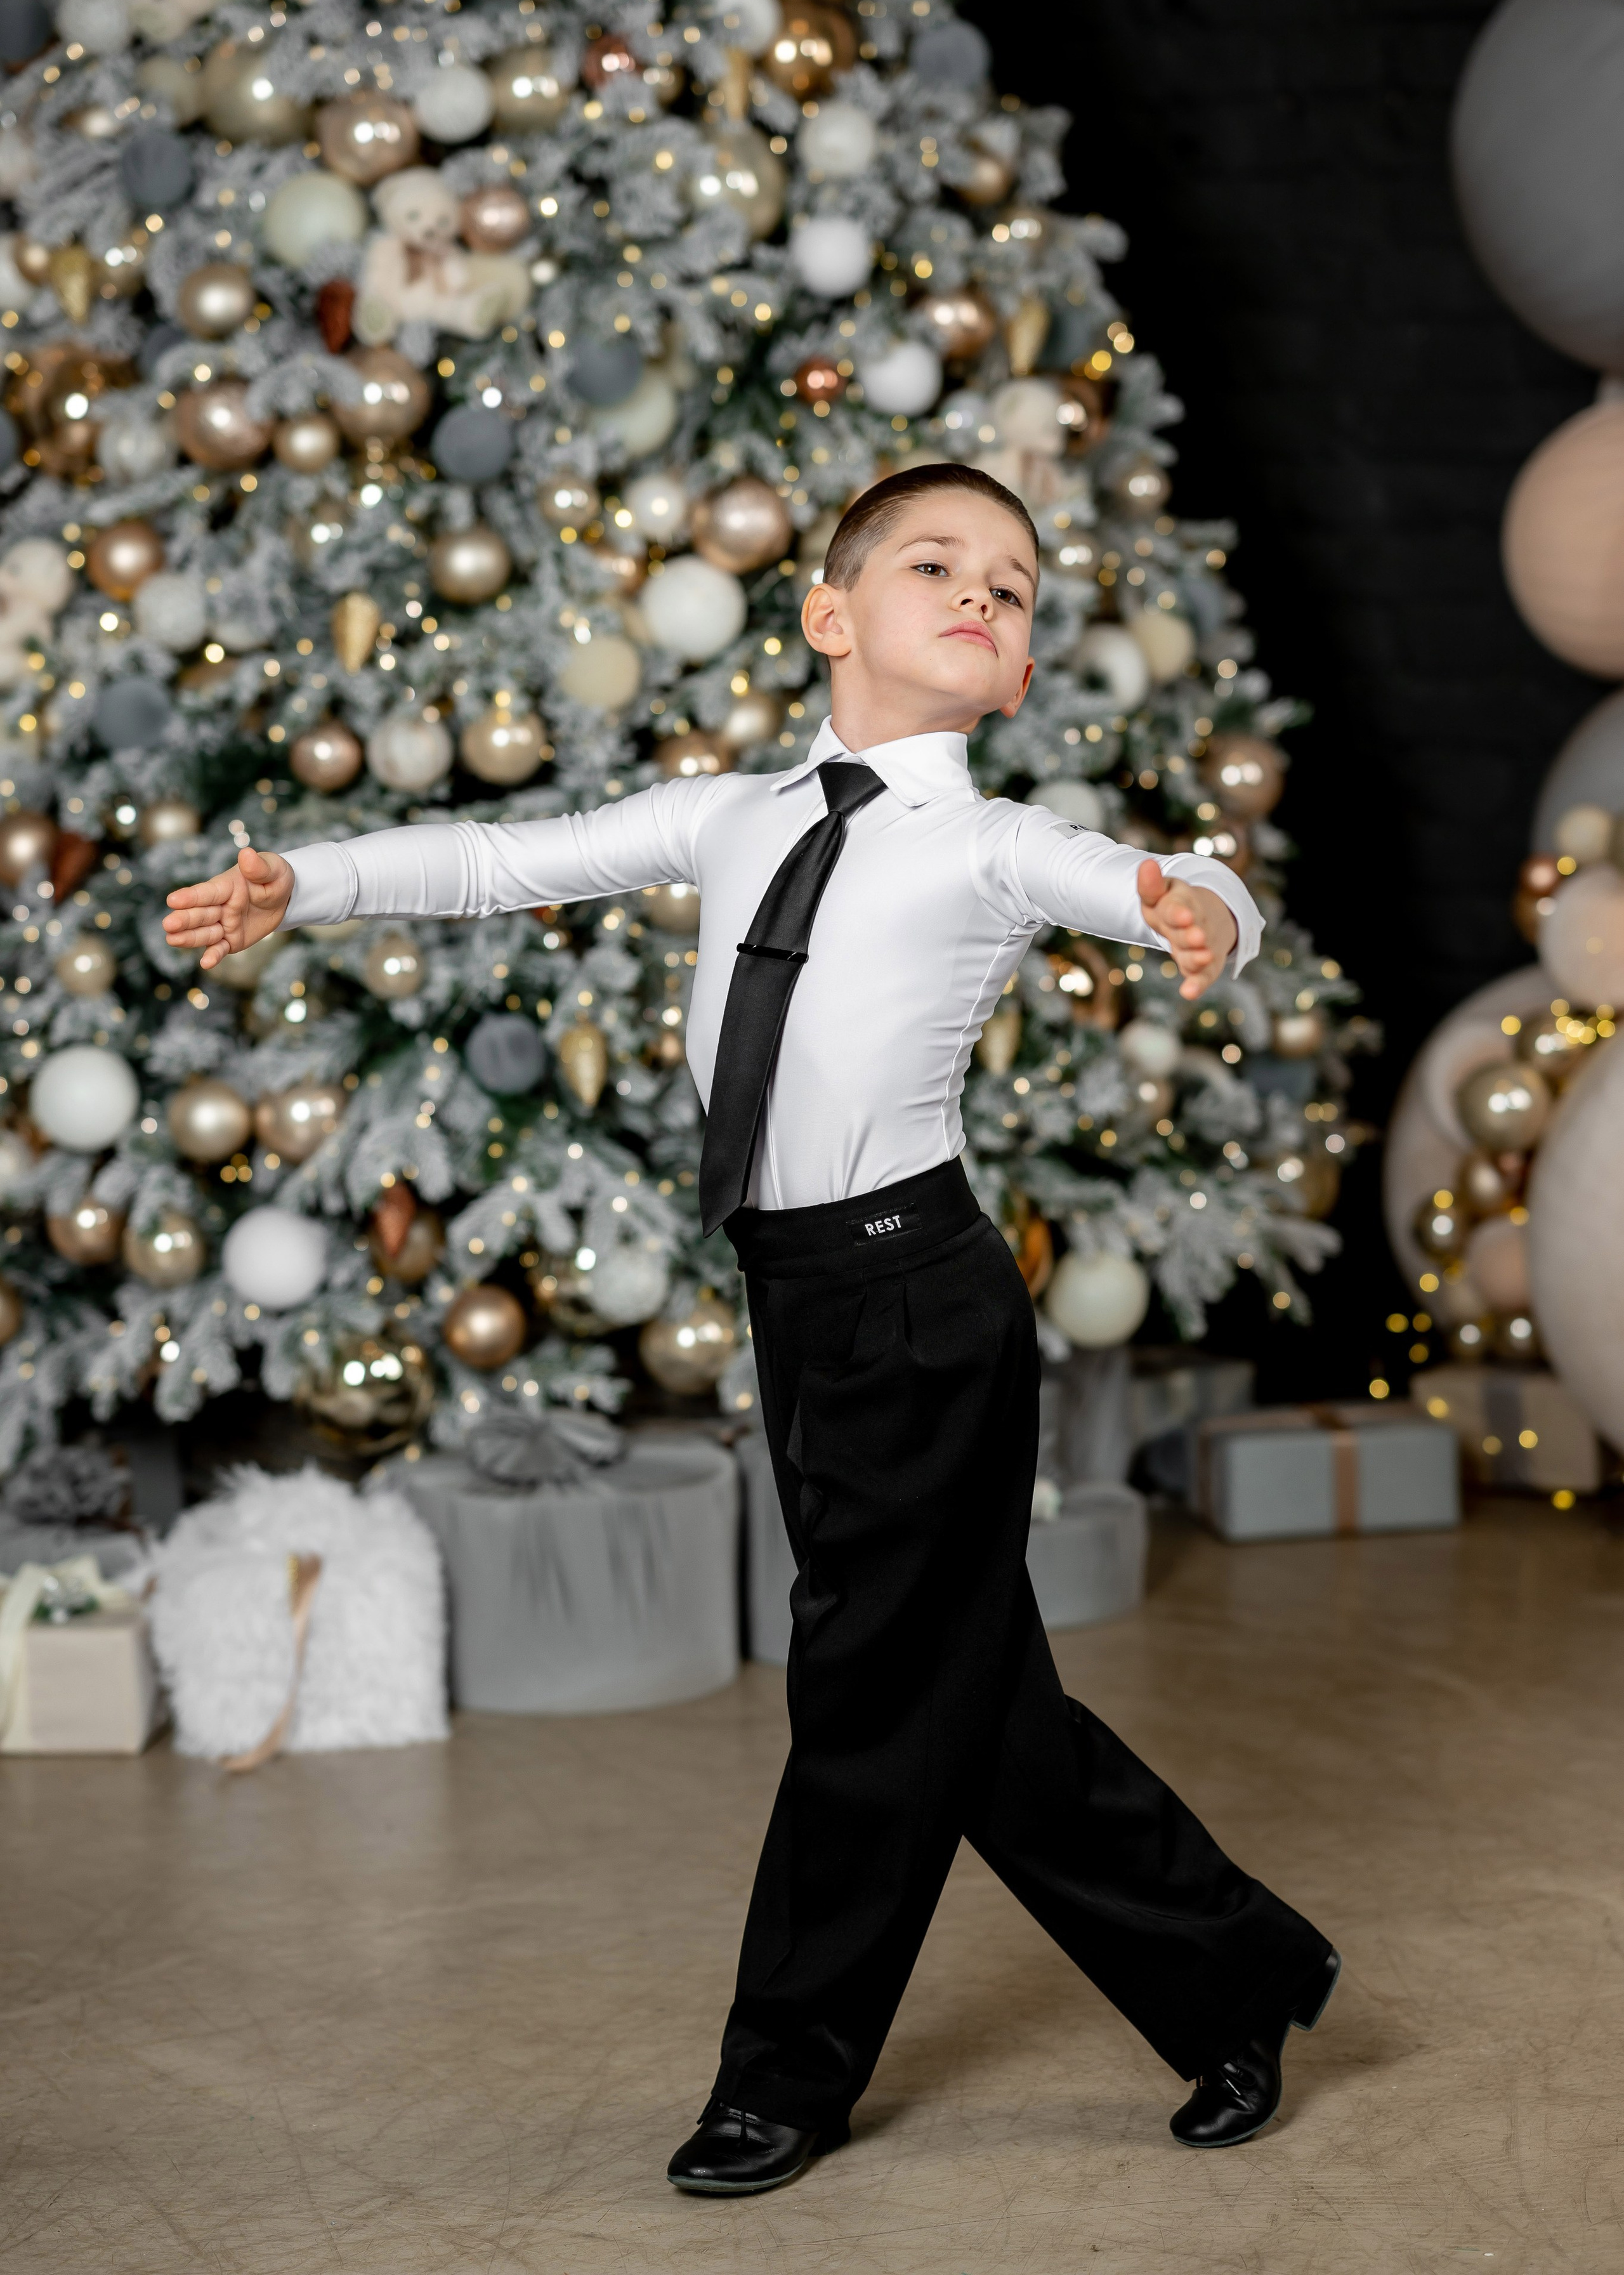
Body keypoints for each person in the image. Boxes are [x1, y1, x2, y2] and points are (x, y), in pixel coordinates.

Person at [165, 463, 1339, 2196]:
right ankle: (1242, 1973)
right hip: (798, 1299)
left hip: (922, 1298)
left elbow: (1175, 878)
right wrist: (309, 884)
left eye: (1012, 591)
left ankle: (786, 2074)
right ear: (826, 615)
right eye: (937, 564)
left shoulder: (994, 844)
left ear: (1018, 675)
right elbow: (502, 858)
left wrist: (1198, 917)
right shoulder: (731, 815)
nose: (980, 597)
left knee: (869, 1695)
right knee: (968, 1699)